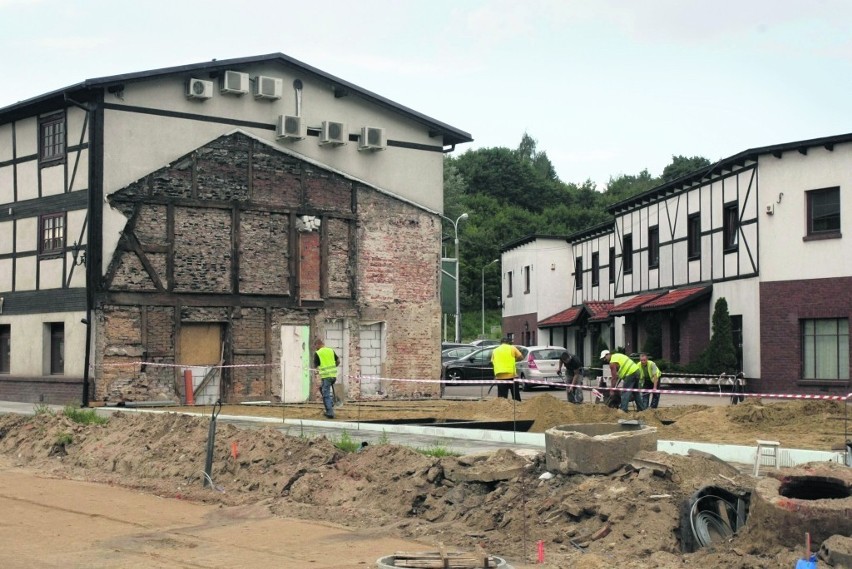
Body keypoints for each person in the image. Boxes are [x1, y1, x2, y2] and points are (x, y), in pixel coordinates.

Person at [313, 338, 340, 418]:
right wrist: (333, 367)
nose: (315, 348)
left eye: (315, 346)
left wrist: (317, 371)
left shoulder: (318, 353)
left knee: (326, 395)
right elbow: (338, 361)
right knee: (322, 389)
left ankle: (330, 412)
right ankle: (330, 403)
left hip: (326, 377)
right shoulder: (330, 350)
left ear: (318, 344)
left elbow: (316, 366)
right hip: (333, 376)